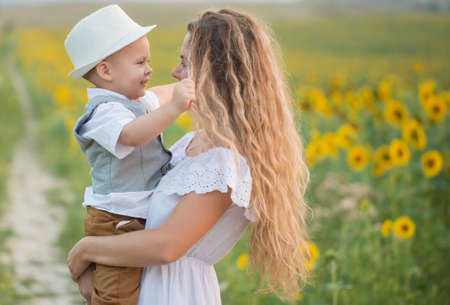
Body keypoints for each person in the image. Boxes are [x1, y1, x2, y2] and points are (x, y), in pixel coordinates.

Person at [68, 8, 311, 305]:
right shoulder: (190, 144)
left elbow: (167, 246)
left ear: (212, 74)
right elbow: (153, 100)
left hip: (175, 295)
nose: (175, 73)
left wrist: (85, 250)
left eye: (185, 63)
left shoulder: (226, 163)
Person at [64, 4, 195, 305]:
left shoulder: (133, 98)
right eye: (140, 62)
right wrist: (175, 107)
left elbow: (160, 94)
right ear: (105, 71)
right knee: (117, 296)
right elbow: (132, 135)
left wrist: (186, 87)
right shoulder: (104, 113)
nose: (149, 69)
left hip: (134, 215)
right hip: (115, 220)